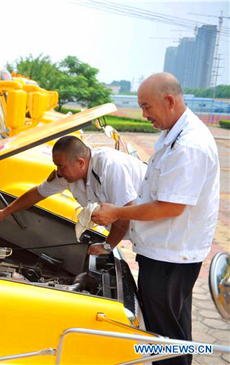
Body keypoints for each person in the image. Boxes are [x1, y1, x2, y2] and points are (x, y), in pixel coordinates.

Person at [91, 73, 220, 365]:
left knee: (162, 338)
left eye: (147, 107)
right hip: (165, 252)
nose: (144, 114)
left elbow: (170, 207)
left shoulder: (189, 144)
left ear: (170, 100)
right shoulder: (172, 134)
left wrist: (118, 212)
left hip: (170, 258)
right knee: (173, 333)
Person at [0, 135, 147, 255]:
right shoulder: (69, 174)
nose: (59, 172)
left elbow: (126, 213)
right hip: (141, 238)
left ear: (81, 162)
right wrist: (4, 212)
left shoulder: (109, 166)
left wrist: (107, 246)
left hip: (157, 234)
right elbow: (37, 193)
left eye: (61, 167)